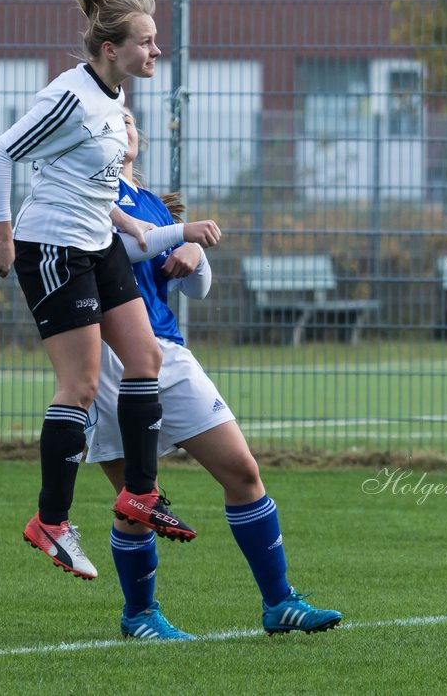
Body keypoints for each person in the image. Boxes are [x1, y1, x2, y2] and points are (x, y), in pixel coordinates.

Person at [0, 0, 222, 580]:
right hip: (52, 249)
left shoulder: (115, 104)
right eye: (146, 42)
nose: (156, 50)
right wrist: (3, 236)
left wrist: (137, 225)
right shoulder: (70, 96)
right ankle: (50, 522)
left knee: (143, 358)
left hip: (96, 242)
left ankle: (141, 493)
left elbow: (85, 183)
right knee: (82, 386)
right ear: (110, 49)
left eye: (155, 40)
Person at [87, 110, 344, 638]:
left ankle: (280, 603)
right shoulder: (89, 193)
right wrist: (181, 234)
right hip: (111, 358)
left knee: (243, 471)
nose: (124, 127)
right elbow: (121, 249)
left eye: (130, 119)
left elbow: (195, 286)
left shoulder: (153, 201)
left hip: (170, 355)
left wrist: (192, 251)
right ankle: (140, 616)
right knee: (140, 501)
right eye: (114, 121)